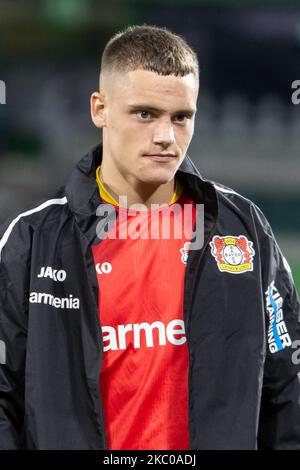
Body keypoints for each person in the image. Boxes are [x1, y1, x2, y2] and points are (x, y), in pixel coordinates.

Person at [0, 25, 300, 451]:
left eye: (182, 117)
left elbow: (287, 388)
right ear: (100, 109)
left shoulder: (243, 230)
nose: (166, 137)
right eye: (145, 113)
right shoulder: (32, 240)